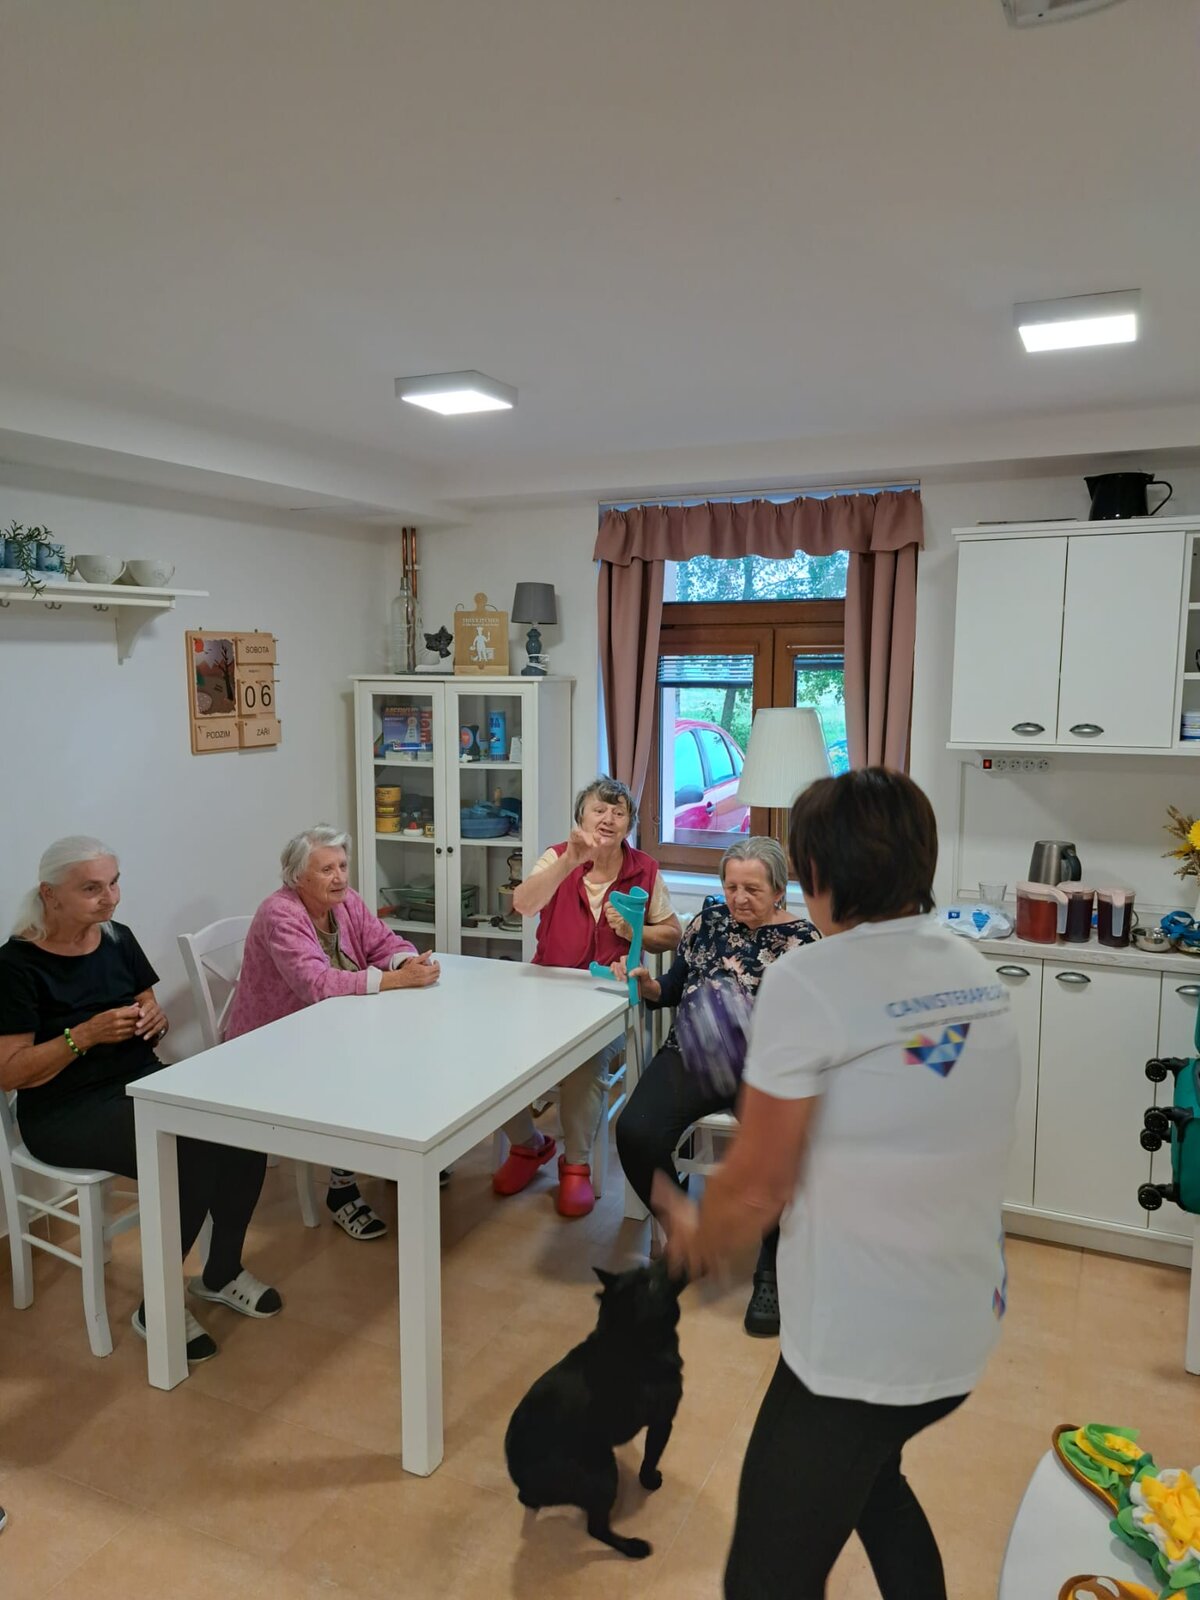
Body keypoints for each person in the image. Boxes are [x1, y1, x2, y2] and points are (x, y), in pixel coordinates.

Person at [653, 769, 1020, 1600]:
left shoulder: (813, 979)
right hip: (964, 1315)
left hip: (864, 1342)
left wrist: (694, 1237)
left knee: (764, 1578)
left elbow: (757, 1187)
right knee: (873, 1485)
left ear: (817, 872)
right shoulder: (974, 970)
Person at [0, 838, 282, 1365]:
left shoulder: (116, 938)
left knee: (243, 1125)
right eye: (91, 888)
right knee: (189, 1153)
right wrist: (82, 1036)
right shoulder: (16, 965)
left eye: (113, 883)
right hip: (64, 1110)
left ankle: (221, 1272)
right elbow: (10, 1072)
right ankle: (158, 1306)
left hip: (140, 1081)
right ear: (49, 894)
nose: (110, 898)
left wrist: (156, 1020)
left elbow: (149, 1013)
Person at [614, 836, 818, 1337]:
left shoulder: (804, 942)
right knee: (635, 1131)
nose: (738, 898)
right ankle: (683, 1235)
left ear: (778, 890)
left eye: (752, 889)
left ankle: (769, 1270)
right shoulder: (706, 923)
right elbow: (672, 988)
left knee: (777, 1151)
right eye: (731, 887)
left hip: (764, 1067)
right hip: (692, 1055)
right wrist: (649, 987)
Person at [225, 824, 440, 1239]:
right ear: (297, 877)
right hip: (274, 1044)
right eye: (326, 869)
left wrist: (405, 962)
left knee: (411, 1050)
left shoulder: (346, 901)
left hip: (335, 1027)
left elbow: (383, 942)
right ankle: (342, 1190)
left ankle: (398, 1155)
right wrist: (397, 981)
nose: (339, 877)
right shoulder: (281, 913)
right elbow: (317, 984)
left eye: (342, 865)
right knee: (367, 1071)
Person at [492, 777, 682, 1218]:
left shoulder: (645, 869)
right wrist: (569, 862)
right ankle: (527, 1145)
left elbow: (672, 934)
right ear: (581, 817)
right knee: (495, 1052)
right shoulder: (556, 857)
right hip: (546, 990)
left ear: (629, 824)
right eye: (599, 810)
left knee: (584, 1061)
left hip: (608, 998)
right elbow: (523, 904)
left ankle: (575, 1163)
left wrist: (634, 931)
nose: (608, 819)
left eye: (619, 812)